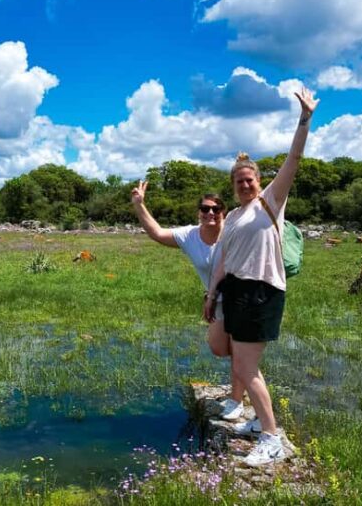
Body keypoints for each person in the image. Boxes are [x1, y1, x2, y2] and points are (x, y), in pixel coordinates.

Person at [205, 86, 318, 467]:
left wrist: (304, 118)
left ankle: (270, 436)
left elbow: (294, 158)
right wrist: (211, 294)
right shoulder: (233, 217)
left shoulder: (271, 201)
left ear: (259, 181)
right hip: (234, 291)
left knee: (245, 367)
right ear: (233, 186)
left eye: (250, 180)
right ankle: (253, 420)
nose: (245, 185)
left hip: (261, 291)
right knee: (227, 350)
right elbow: (223, 258)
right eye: (239, 182)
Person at [131, 181, 247, 418]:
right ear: (199, 213)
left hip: (243, 298)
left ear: (224, 212)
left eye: (216, 209)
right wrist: (139, 205)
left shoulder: (234, 230)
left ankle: (237, 400)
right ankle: (242, 386)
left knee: (240, 350)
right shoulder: (190, 235)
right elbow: (158, 233)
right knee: (218, 347)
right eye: (205, 209)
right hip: (217, 301)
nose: (210, 213)